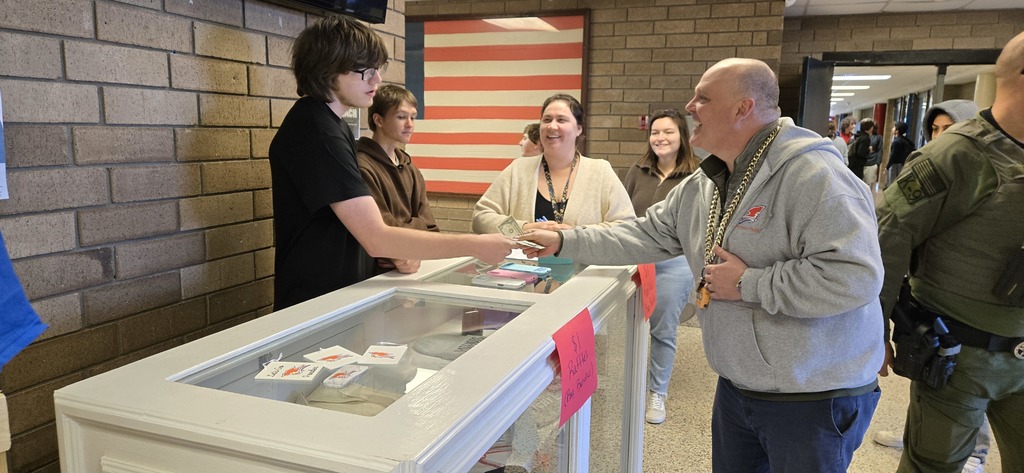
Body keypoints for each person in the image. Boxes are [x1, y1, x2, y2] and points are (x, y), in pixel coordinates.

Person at [522, 58, 884, 472]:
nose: (690, 106)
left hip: (813, 397)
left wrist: (750, 283)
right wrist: (566, 240)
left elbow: (856, 276)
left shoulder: (815, 176)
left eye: (703, 98)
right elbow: (644, 234)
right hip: (738, 387)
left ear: (742, 108)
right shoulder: (706, 183)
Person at [268, 16, 516, 310]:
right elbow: (376, 236)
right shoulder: (317, 130)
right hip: (315, 301)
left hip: (340, 292)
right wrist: (476, 245)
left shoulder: (331, 126)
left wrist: (398, 250)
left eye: (378, 70)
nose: (377, 80)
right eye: (366, 71)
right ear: (329, 70)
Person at [873, 60, 1018, 473]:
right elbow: (889, 236)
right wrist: (873, 329)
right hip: (961, 354)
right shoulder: (956, 155)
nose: (938, 132)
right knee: (933, 464)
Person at [623, 109, 699, 425]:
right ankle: (629, 381)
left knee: (663, 327)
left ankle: (658, 392)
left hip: (675, 263)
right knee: (630, 325)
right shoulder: (637, 171)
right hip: (637, 260)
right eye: (655, 132)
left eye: (668, 132)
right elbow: (623, 214)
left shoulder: (698, 175)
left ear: (682, 136)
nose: (660, 138)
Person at [472, 94, 634, 234]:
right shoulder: (518, 170)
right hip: (525, 268)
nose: (552, 126)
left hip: (584, 269)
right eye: (547, 120)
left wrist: (576, 235)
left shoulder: (600, 171)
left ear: (578, 129)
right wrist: (524, 228)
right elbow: (481, 218)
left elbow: (625, 226)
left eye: (561, 120)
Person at [356, 84, 438, 276]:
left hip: (412, 270)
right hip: (373, 277)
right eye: (401, 117)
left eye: (413, 117)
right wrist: (416, 228)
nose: (410, 124)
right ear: (378, 120)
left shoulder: (411, 170)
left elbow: (432, 229)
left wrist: (406, 245)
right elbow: (383, 234)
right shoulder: (362, 167)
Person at [885, 121, 915, 187]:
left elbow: (893, 156)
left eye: (894, 127)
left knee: (892, 184)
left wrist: (887, 167)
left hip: (895, 166)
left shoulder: (896, 142)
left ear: (897, 130)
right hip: (903, 165)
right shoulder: (907, 141)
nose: (892, 129)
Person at [848, 117, 875, 182]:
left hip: (851, 162)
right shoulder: (865, 138)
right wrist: (869, 150)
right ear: (870, 128)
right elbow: (861, 152)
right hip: (858, 165)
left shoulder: (856, 135)